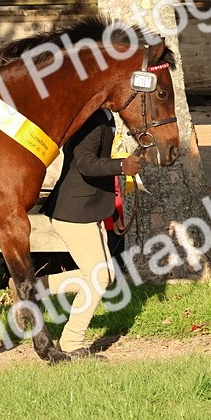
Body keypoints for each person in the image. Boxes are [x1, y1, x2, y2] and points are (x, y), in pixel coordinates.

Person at [40, 109, 142, 358]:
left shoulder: (103, 116)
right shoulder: (90, 120)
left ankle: (33, 288)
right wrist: (122, 165)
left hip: (88, 209)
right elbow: (84, 163)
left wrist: (114, 214)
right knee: (99, 279)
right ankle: (72, 343)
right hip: (75, 211)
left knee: (100, 276)